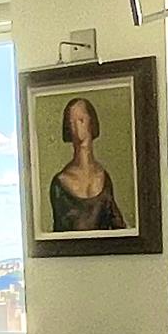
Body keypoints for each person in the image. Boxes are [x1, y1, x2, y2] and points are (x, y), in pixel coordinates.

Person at [48, 96, 126, 232]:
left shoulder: (103, 177)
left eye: (81, 120)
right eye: (72, 122)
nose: (77, 127)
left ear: (91, 122)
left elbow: (118, 228)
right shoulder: (60, 183)